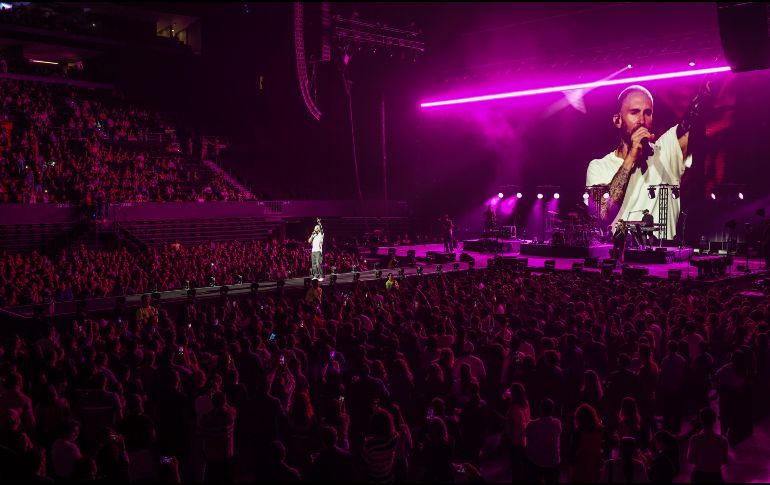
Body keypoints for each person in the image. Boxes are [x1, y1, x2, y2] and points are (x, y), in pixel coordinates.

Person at [585, 82, 711, 238]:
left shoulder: (665, 152)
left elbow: (692, 122)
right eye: (634, 112)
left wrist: (706, 93)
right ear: (617, 120)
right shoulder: (598, 166)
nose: (642, 120)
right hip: (620, 257)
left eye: (648, 113)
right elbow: (602, 214)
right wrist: (631, 157)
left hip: (661, 258)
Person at [687, 407, 728, 483]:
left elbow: (690, 460)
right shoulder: (723, 440)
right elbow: (724, 461)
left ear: (701, 420)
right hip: (716, 475)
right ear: (715, 420)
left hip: (698, 475)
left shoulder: (695, 439)